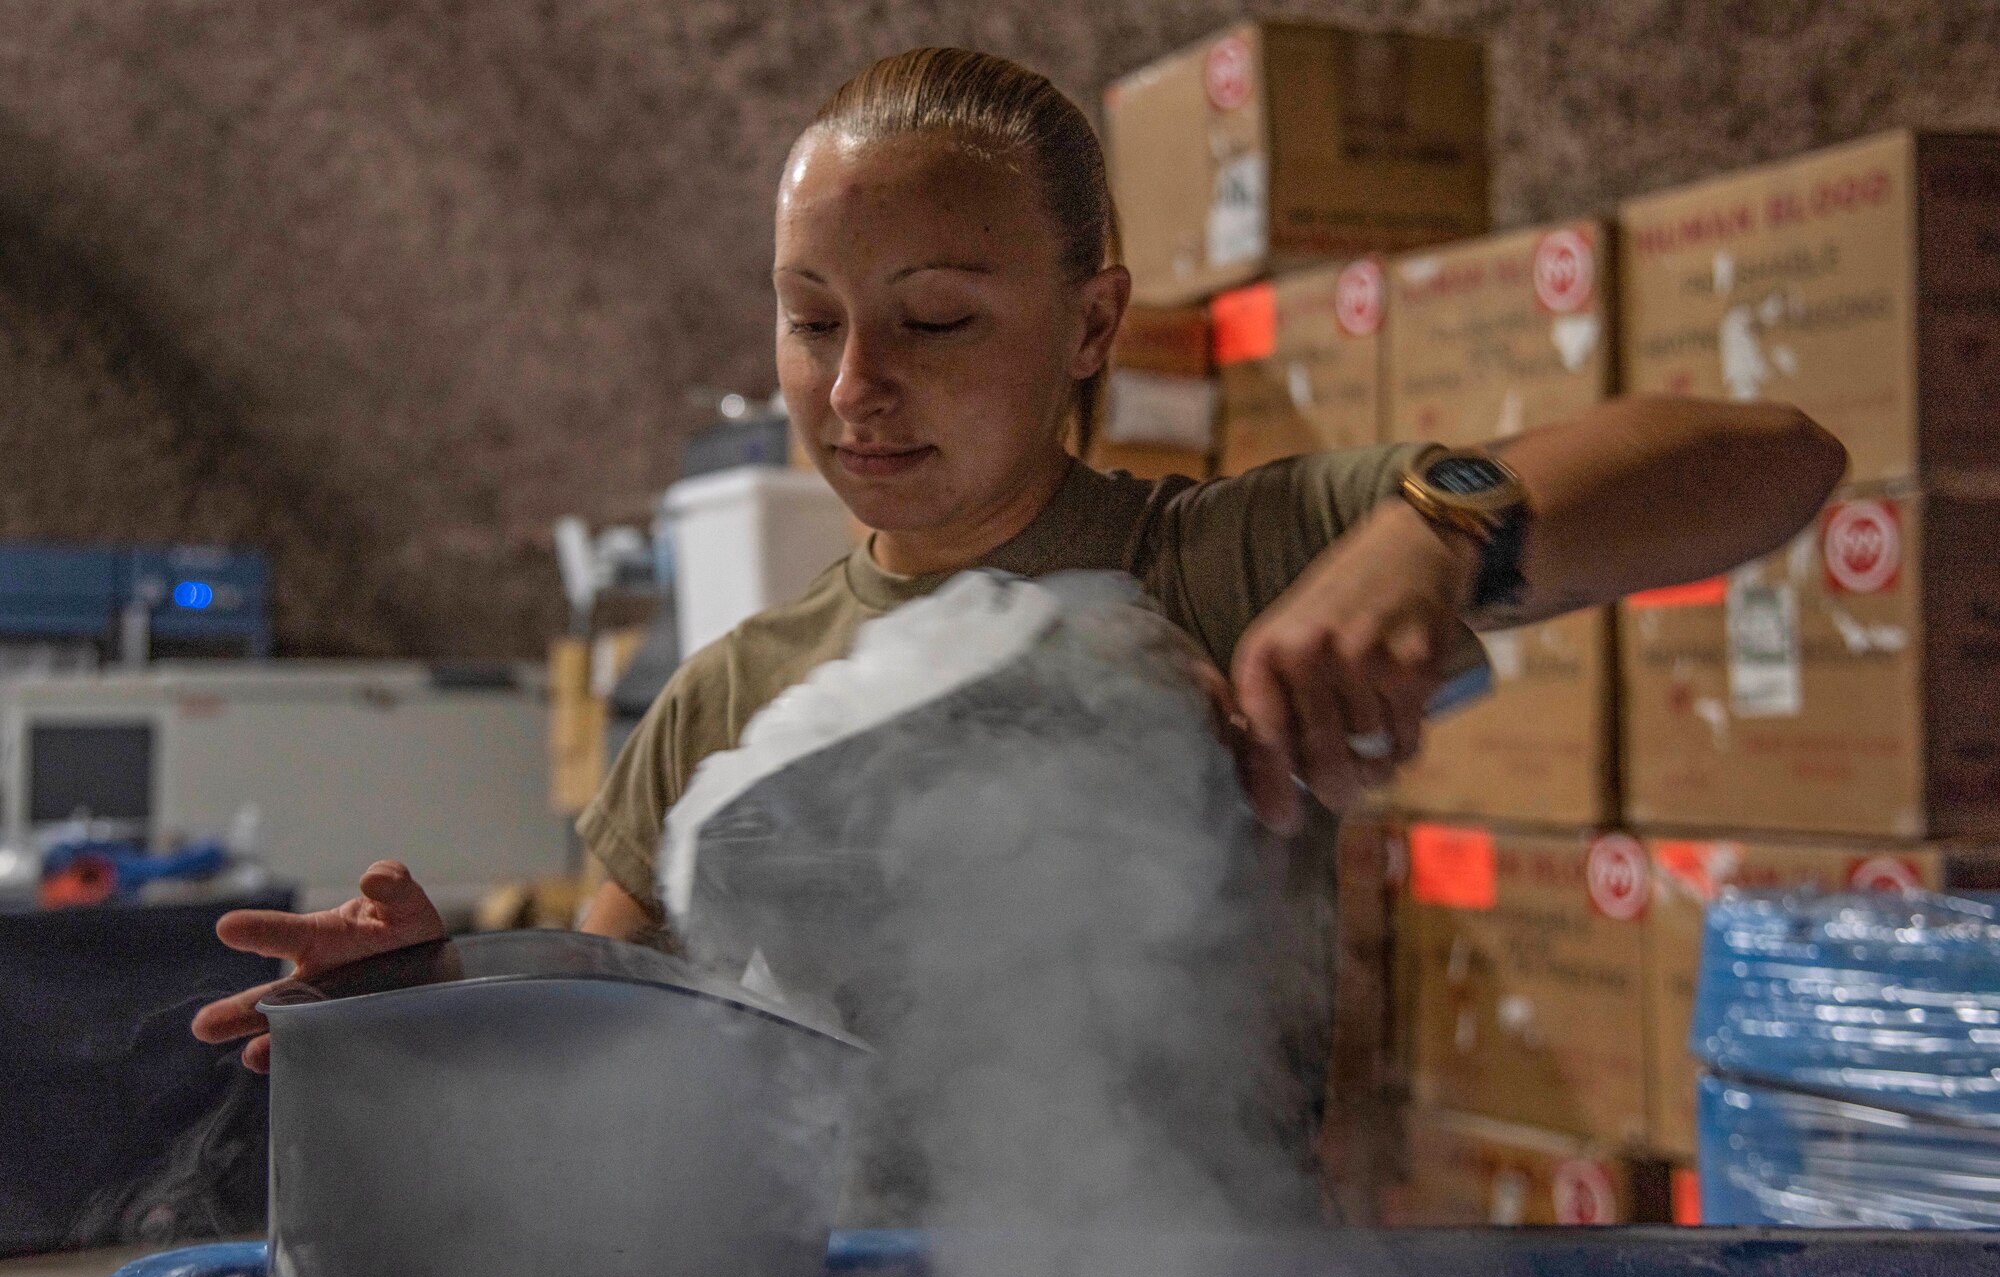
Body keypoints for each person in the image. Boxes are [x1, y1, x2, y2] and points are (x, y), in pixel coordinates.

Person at [194, 47, 1846, 1071]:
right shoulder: (723, 705)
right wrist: (443, 1007)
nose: (855, 388)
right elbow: (612, 1072)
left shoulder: (1218, 565)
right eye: (811, 323)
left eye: (932, 321)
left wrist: (1438, 532)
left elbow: (1774, 467)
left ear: (1090, 323)